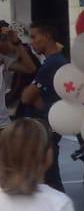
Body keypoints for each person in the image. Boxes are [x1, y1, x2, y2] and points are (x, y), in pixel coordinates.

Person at [17, 22, 68, 190]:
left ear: (46, 37)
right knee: (47, 177)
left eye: (34, 37)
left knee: (48, 178)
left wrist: (36, 99)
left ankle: (58, 210)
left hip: (44, 128)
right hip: (45, 125)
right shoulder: (53, 61)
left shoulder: (52, 64)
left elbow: (26, 97)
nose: (31, 42)